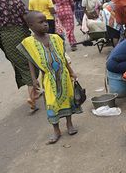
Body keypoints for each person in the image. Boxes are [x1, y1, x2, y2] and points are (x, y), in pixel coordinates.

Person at [17, 11, 81, 144]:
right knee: (52, 103)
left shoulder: (55, 38)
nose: (45, 24)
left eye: (46, 21)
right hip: (48, 77)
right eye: (41, 22)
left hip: (64, 76)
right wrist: (33, 78)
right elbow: (31, 61)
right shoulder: (29, 42)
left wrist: (71, 72)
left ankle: (69, 124)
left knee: (67, 99)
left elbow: (63, 58)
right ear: (30, 25)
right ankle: (56, 130)